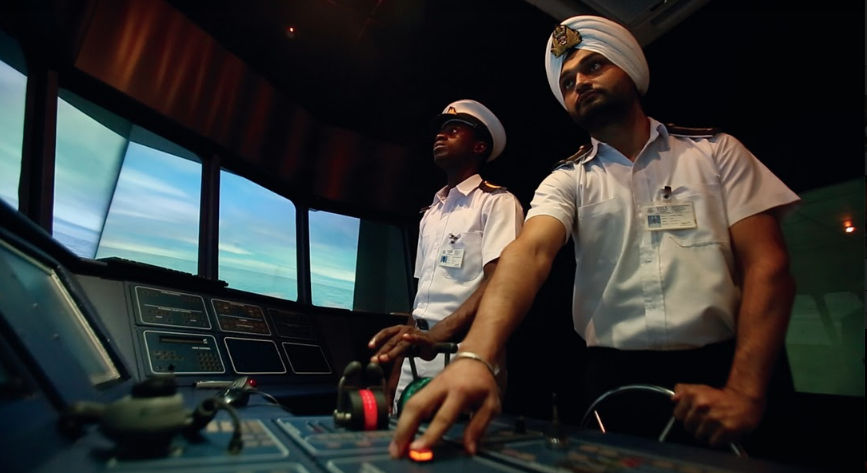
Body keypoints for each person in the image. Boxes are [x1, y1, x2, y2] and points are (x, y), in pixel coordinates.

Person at [390, 15, 799, 458]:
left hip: (720, 371)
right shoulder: (568, 179)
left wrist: (745, 391)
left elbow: (768, 265)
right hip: (613, 381)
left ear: (631, 70)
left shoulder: (716, 152)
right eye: (568, 82)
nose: (580, 83)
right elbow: (528, 254)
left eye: (594, 66)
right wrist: (475, 357)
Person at [367, 99, 524, 414]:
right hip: (417, 352)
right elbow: (420, 300)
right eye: (441, 130)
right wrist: (397, 371)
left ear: (479, 147)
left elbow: (500, 283)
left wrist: (440, 334)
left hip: (464, 351)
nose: (440, 135)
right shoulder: (431, 213)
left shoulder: (497, 203)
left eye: (453, 131)